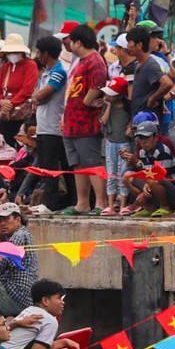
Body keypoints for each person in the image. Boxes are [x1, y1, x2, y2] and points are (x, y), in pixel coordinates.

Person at [16, 36, 67, 213]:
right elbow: (37, 95)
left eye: (39, 52)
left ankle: (53, 203)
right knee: (45, 165)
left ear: (45, 53)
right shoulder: (46, 72)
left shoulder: (59, 71)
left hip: (54, 127)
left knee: (54, 167)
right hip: (43, 127)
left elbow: (43, 94)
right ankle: (49, 200)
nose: (38, 56)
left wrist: (38, 97)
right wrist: (38, 97)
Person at [62, 25, 109, 215]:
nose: (69, 45)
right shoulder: (80, 61)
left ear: (78, 42)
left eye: (71, 41)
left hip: (86, 122)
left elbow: (98, 84)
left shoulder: (95, 60)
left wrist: (88, 100)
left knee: (92, 162)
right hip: (72, 122)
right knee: (78, 164)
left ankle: (101, 203)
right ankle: (82, 203)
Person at [1, 278, 80, 349]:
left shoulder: (28, 311)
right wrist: (63, 343)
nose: (63, 302)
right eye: (59, 298)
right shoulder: (49, 320)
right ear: (45, 301)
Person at [120, 118, 175, 217]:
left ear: (156, 137)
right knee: (127, 176)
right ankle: (150, 207)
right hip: (153, 185)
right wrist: (133, 162)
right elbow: (145, 171)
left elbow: (164, 177)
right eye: (141, 138)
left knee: (153, 180)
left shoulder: (162, 151)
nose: (143, 141)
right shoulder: (143, 152)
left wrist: (143, 194)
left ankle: (165, 207)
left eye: (146, 137)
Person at [0, 203, 39, 310]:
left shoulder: (20, 234)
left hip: (16, 290)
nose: (2, 224)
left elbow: (8, 257)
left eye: (6, 219)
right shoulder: (23, 234)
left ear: (18, 220)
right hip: (23, 293)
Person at [0, 34, 39, 144]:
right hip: (6, 114)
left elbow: (27, 90)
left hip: (22, 114)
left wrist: (9, 104)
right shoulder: (5, 67)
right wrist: (1, 101)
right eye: (9, 52)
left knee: (22, 145)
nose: (11, 54)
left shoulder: (30, 65)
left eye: (15, 51)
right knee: (6, 143)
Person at [101, 76, 133, 216]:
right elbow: (104, 121)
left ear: (120, 95)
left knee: (122, 173)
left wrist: (130, 126)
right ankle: (111, 205)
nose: (107, 96)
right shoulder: (108, 106)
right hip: (110, 142)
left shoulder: (128, 107)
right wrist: (108, 104)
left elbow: (132, 119)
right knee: (111, 174)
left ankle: (123, 205)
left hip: (124, 143)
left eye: (111, 94)